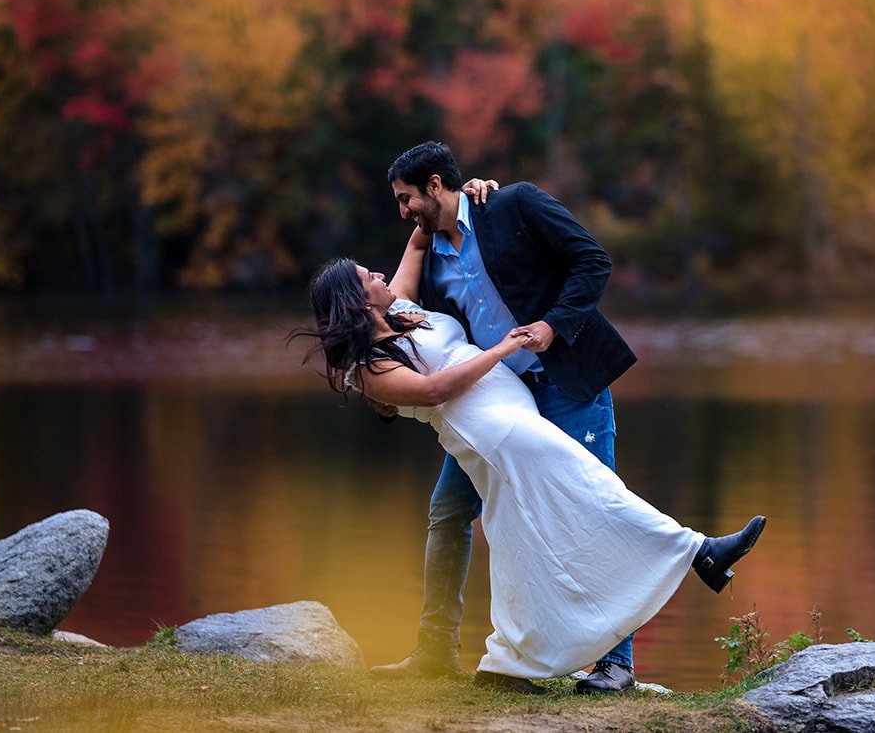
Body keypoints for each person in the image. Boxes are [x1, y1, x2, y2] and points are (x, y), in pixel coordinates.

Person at [296, 257, 766, 692]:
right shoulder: (372, 364)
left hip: (509, 415)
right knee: (592, 487)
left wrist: (474, 186)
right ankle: (698, 551)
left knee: (516, 538)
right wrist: (500, 349)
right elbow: (433, 389)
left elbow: (421, 235)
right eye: (368, 277)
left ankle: (508, 664)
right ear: (358, 300)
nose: (380, 276)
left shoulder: (397, 308)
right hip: (496, 433)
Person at [373, 141, 647, 693]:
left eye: (407, 199)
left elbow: (593, 261)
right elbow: (408, 323)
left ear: (434, 185)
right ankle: (434, 652)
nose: (402, 210)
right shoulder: (428, 257)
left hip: (568, 386)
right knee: (448, 511)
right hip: (497, 403)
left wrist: (552, 324)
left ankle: (616, 663)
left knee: (596, 507)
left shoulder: (515, 205)